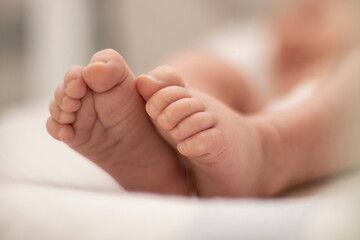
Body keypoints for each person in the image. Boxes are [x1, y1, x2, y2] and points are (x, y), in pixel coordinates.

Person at [46, 0, 360, 197]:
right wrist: (184, 88)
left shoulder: (341, 67)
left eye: (317, 12)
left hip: (309, 130)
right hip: (245, 120)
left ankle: (270, 151)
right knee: (195, 67)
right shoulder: (266, 60)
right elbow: (218, 65)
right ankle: (167, 161)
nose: (295, 23)